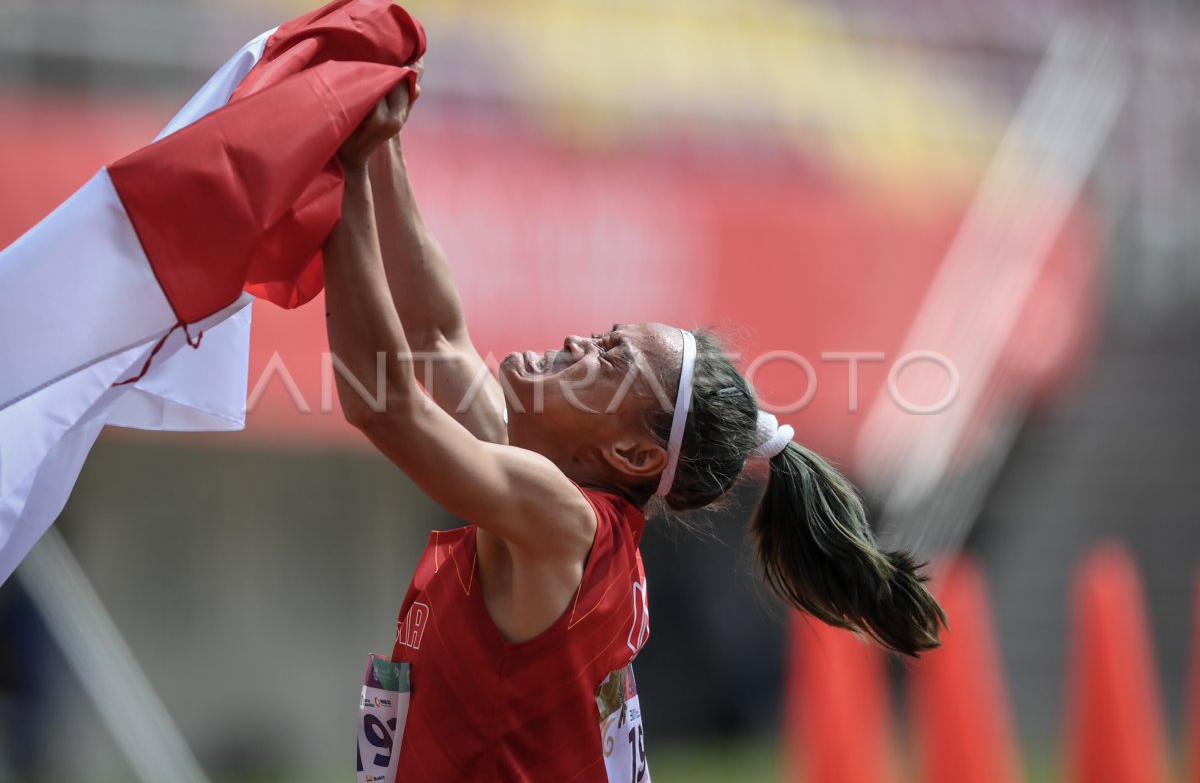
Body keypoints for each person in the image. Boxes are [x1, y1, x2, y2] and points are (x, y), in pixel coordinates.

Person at [325, 73, 946, 782]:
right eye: (604, 334)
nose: (578, 342)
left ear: (629, 451)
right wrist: (383, 143)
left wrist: (341, 185)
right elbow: (436, 335)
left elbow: (384, 408)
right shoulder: (562, 505)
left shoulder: (560, 520)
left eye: (609, 357)